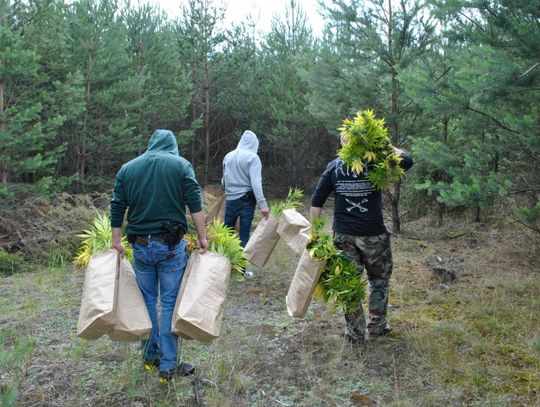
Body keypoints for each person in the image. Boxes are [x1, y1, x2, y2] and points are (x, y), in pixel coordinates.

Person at [110, 129, 208, 382]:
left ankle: (150, 357)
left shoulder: (128, 169)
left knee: (147, 302)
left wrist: (115, 240)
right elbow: (195, 203)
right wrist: (202, 237)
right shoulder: (181, 165)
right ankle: (168, 365)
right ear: (172, 146)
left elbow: (117, 205)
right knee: (169, 303)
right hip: (170, 248)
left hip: (140, 246)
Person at [310, 138, 413, 344]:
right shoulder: (376, 163)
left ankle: (355, 333)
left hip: (343, 237)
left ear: (342, 143)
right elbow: (407, 161)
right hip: (373, 236)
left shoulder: (334, 167)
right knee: (379, 281)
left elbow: (316, 203)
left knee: (348, 284)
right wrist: (386, 145)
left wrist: (316, 236)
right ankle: (377, 326)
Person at [221, 130, 269, 247]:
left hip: (230, 200)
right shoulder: (253, 158)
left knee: (226, 236)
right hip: (247, 201)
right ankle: (241, 265)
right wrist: (263, 205)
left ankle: (223, 263)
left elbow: (223, 182)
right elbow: (256, 183)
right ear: (254, 144)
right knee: (243, 238)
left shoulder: (228, 156)